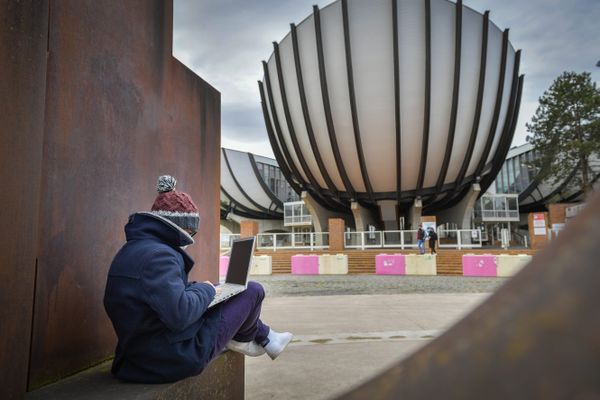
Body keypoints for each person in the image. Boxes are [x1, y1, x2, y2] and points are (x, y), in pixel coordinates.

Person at [103, 175, 292, 383]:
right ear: (178, 227)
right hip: (173, 356)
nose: (191, 238)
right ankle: (243, 338)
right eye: (191, 231)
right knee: (253, 290)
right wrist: (207, 290)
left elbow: (157, 298)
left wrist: (204, 288)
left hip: (139, 354)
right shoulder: (159, 257)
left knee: (223, 289)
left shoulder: (134, 250)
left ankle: (266, 335)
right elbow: (181, 314)